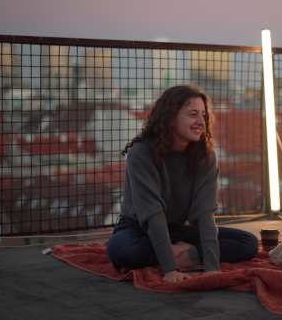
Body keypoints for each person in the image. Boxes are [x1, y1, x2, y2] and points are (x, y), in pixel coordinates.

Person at [106, 85, 259, 282]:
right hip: (138, 229)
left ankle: (184, 255)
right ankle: (172, 254)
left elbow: (205, 213)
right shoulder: (142, 153)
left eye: (203, 115)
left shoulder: (205, 156)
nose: (201, 122)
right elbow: (152, 214)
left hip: (177, 230)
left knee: (248, 242)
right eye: (193, 114)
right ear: (171, 117)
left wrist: (212, 268)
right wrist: (170, 270)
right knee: (122, 250)